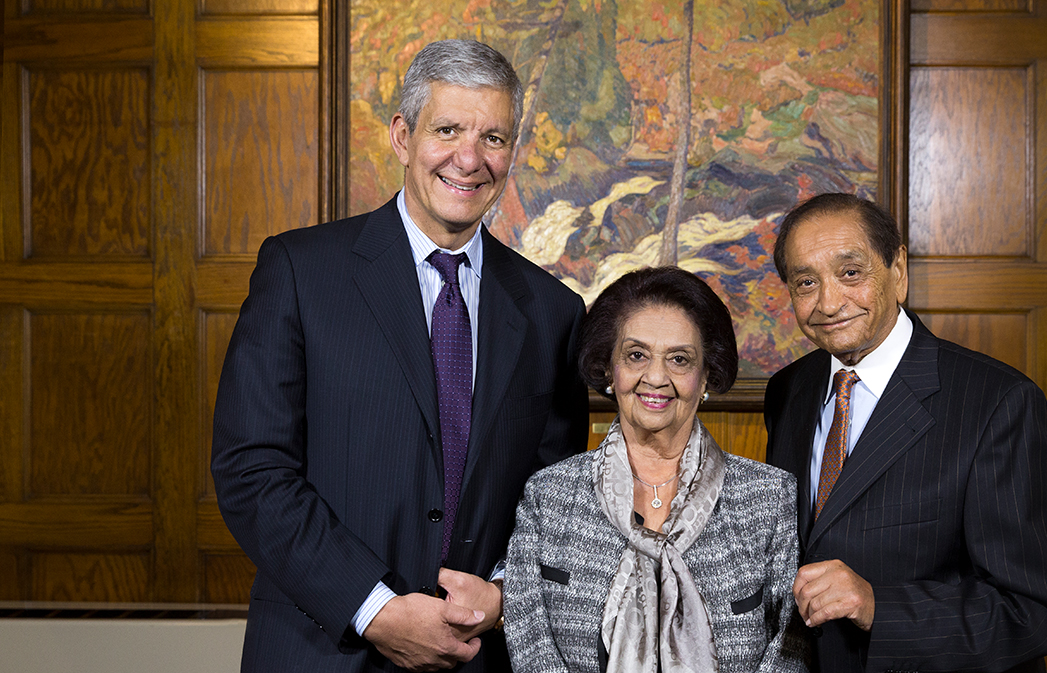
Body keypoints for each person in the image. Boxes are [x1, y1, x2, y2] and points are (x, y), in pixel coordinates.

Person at [211, 39, 588, 673]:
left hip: (478, 653)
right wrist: (375, 607)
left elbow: (552, 500)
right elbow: (252, 468)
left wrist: (500, 595)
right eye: (448, 130)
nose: (470, 160)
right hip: (322, 648)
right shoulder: (300, 271)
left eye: (493, 138)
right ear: (402, 137)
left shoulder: (552, 311)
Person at [764, 193, 1047, 672]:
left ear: (898, 270)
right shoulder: (788, 390)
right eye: (806, 282)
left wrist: (877, 607)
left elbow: (1036, 612)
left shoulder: (997, 401)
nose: (828, 302)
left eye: (851, 273)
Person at [503, 266, 807, 673]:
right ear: (610, 370)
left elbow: (791, 645)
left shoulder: (770, 499)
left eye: (679, 359)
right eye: (636, 355)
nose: (656, 377)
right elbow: (529, 641)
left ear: (705, 378)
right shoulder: (549, 496)